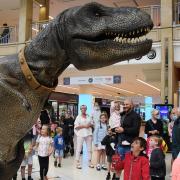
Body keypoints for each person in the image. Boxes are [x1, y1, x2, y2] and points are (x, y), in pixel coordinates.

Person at [115, 99, 141, 179]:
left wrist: (123, 130)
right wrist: (113, 130)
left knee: (129, 167)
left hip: (130, 146)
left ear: (132, 105)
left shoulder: (136, 116)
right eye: (124, 104)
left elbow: (135, 130)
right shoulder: (122, 115)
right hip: (120, 144)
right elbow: (120, 127)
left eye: (127, 104)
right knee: (118, 165)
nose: (125, 106)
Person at [74, 105, 94, 169]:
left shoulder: (89, 116)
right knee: (79, 148)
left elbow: (92, 123)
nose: (83, 109)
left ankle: (90, 162)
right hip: (80, 134)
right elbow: (76, 127)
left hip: (88, 134)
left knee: (89, 149)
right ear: (80, 109)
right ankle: (77, 162)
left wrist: (90, 125)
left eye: (85, 108)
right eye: (82, 108)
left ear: (86, 109)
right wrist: (84, 126)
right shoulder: (78, 117)